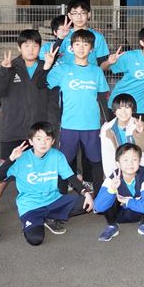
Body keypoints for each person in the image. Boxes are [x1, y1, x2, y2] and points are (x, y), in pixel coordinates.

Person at [0, 122, 94, 245]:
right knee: (35, 239)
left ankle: (50, 217)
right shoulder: (21, 158)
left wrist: (85, 193)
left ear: (53, 142)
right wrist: (11, 159)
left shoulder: (57, 156)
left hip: (54, 200)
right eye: (39, 139)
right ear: (31, 141)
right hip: (31, 206)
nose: (43, 143)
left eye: (47, 139)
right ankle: (37, 220)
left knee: (89, 203)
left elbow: (71, 177)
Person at [42, 28, 109, 192]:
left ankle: (99, 200)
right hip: (69, 125)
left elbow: (102, 99)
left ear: (91, 49)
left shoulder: (96, 71)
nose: (81, 48)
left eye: (85, 44)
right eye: (77, 44)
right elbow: (41, 84)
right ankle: (61, 198)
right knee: (64, 162)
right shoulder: (62, 69)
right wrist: (47, 66)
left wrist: (108, 123)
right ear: (71, 48)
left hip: (92, 126)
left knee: (96, 161)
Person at [0, 29, 51, 210]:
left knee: (40, 168)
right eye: (26, 45)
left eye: (35, 45)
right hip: (13, 127)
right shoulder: (11, 65)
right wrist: (5, 70)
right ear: (19, 47)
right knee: (5, 166)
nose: (31, 49)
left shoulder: (46, 66)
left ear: (40, 48)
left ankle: (40, 204)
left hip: (39, 129)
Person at [94, 143, 144, 242]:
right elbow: (98, 207)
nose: (130, 164)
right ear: (118, 163)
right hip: (119, 215)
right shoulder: (112, 177)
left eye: (134, 159)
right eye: (125, 160)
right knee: (108, 195)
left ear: (139, 161)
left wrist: (126, 201)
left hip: (141, 213)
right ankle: (112, 226)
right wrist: (112, 189)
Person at [101, 26, 144, 119]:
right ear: (142, 42)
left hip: (139, 107)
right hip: (119, 104)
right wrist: (109, 62)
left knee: (138, 128)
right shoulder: (129, 56)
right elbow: (102, 68)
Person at [99, 93, 144, 176]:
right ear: (114, 110)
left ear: (132, 109)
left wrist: (141, 132)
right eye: (119, 108)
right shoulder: (107, 129)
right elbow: (107, 154)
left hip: (141, 166)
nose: (123, 112)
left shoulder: (140, 125)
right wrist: (111, 175)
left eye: (127, 108)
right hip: (119, 167)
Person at [55, 0, 111, 67]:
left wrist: (109, 62)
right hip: (67, 74)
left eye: (83, 13)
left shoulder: (98, 37)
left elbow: (102, 64)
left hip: (90, 73)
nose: (79, 17)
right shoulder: (64, 35)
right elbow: (53, 56)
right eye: (75, 13)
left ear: (89, 14)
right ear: (69, 16)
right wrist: (60, 38)